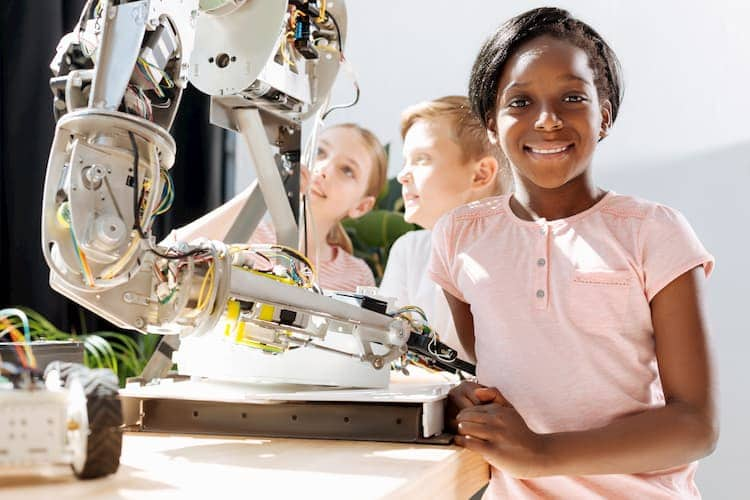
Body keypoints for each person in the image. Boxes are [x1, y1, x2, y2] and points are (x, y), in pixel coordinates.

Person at [428, 7, 717, 498]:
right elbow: (482, 366)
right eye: (519, 101)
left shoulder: (654, 232)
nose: (547, 120)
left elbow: (696, 426)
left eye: (572, 97)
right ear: (492, 125)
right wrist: (463, 400)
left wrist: (543, 454)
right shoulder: (460, 236)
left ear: (603, 116)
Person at [168, 123, 386, 291]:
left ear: (361, 207)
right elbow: (166, 257)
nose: (323, 169)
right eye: (320, 152)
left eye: (347, 170)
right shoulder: (250, 237)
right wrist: (258, 192)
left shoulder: (356, 276)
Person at [379, 95, 512, 362]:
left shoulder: (515, 252)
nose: (403, 175)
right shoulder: (409, 249)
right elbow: (383, 345)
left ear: (481, 174)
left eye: (422, 159)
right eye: (406, 160)